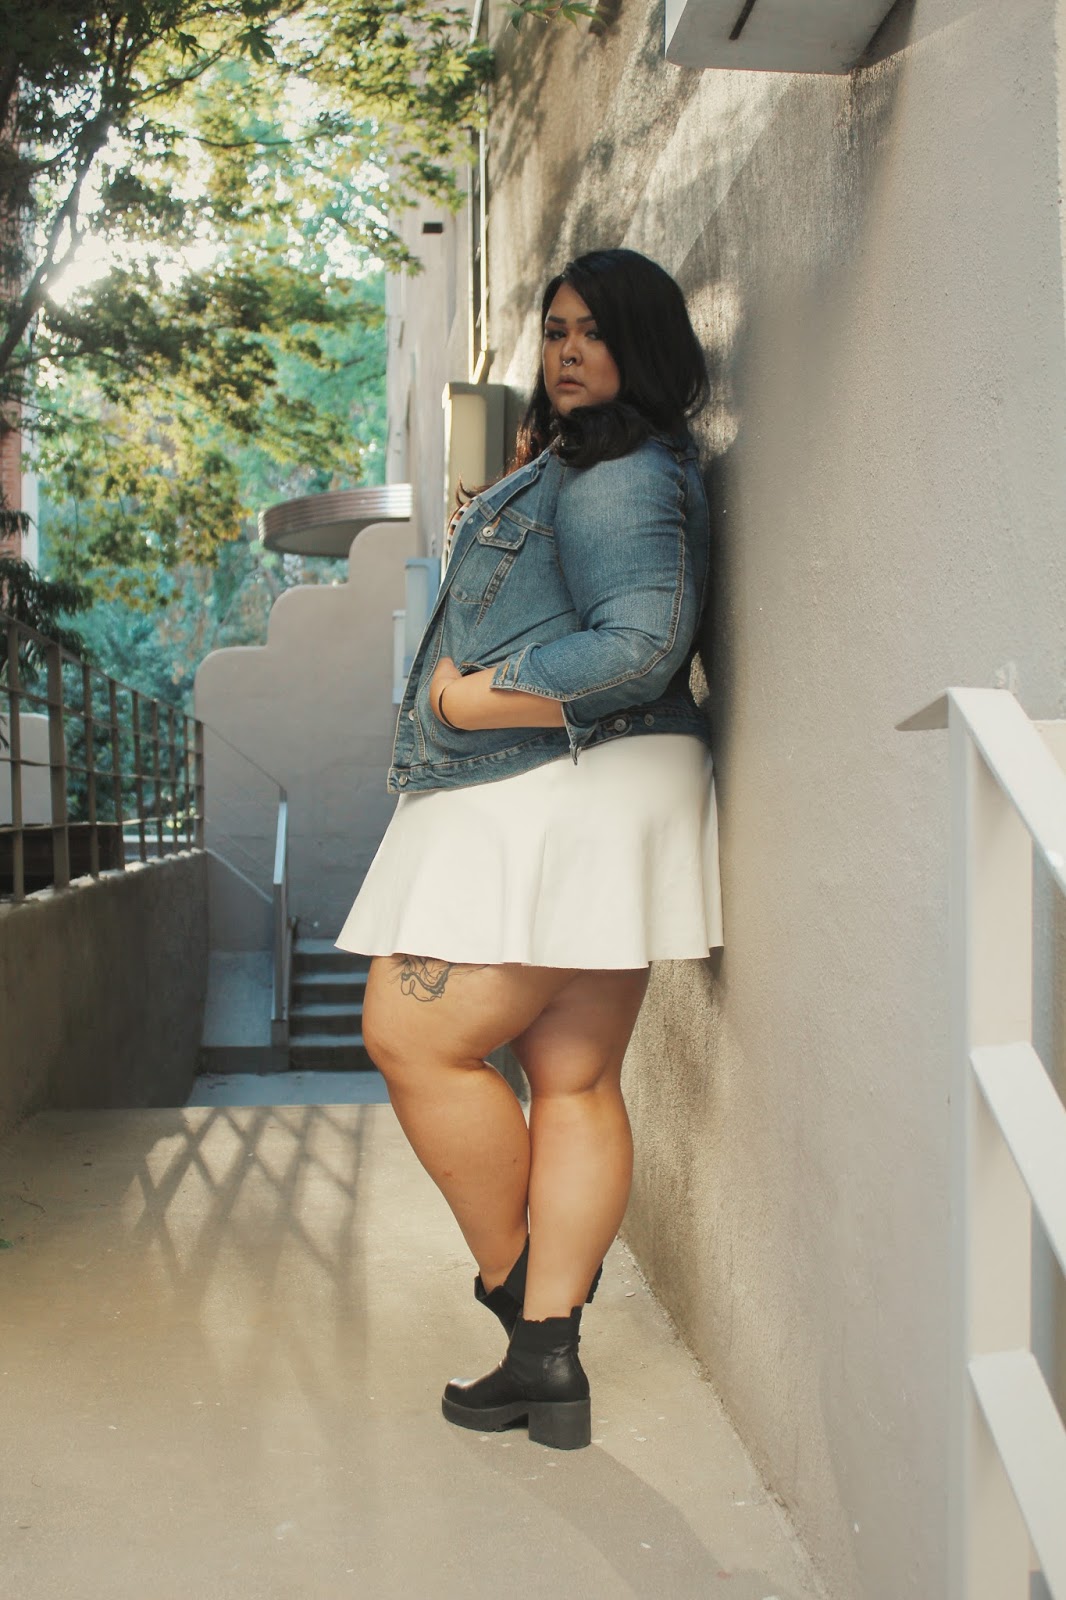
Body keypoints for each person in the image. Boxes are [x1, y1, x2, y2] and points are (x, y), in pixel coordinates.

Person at [336, 247, 723, 1452]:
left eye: (593, 332)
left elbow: (638, 644)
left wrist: (468, 699)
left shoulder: (619, 471)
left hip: (555, 779)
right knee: (573, 1076)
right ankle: (545, 1354)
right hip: (586, 786)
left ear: (644, 347)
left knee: (411, 1033)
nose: (566, 352)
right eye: (555, 330)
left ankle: (522, 1297)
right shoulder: (596, 461)